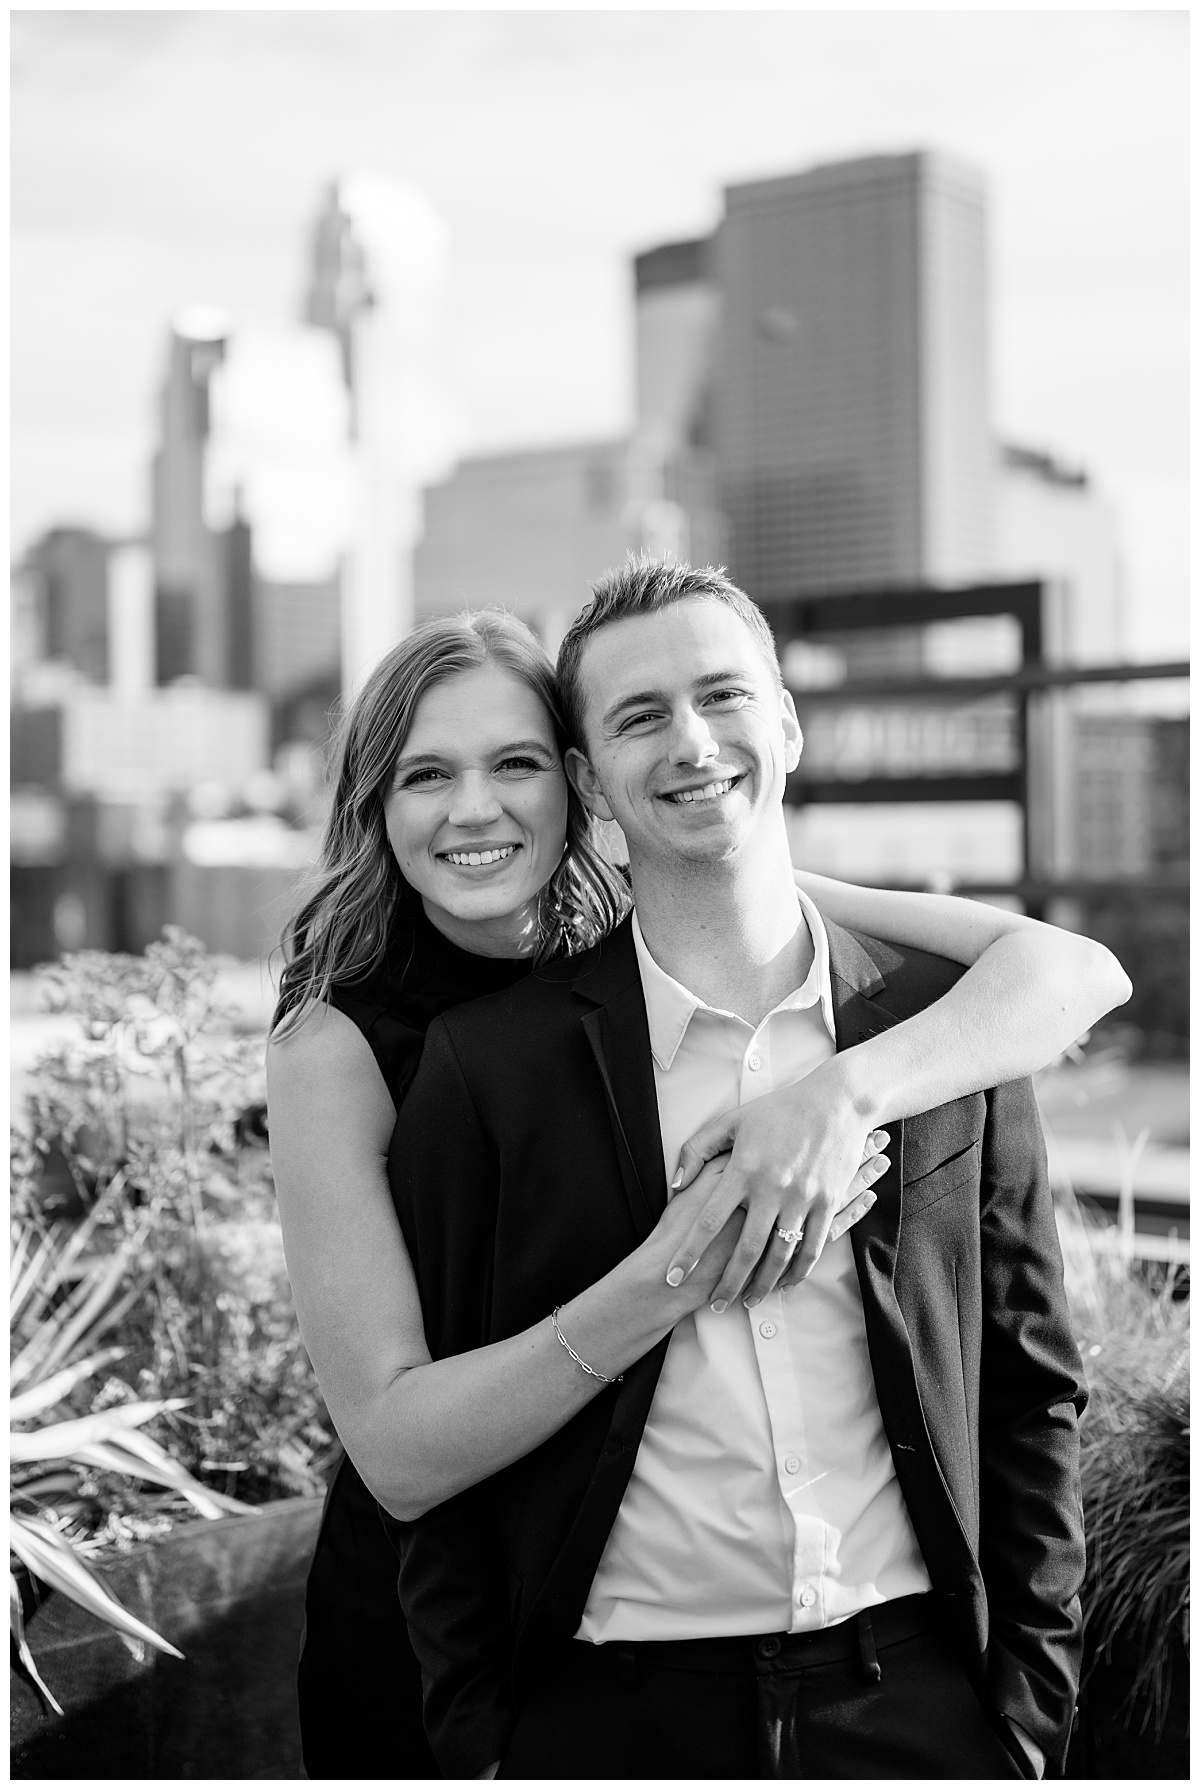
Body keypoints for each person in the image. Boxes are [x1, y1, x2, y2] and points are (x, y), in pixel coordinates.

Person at [389, 559, 1095, 1780]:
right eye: (638, 715)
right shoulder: (487, 1066)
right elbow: (451, 1460)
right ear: (586, 779)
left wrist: (1025, 1715)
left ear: (788, 722)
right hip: (607, 1721)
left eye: (723, 695)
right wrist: (485, 1742)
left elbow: (1032, 1388)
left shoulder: (945, 1029)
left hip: (925, 1706)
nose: (692, 739)